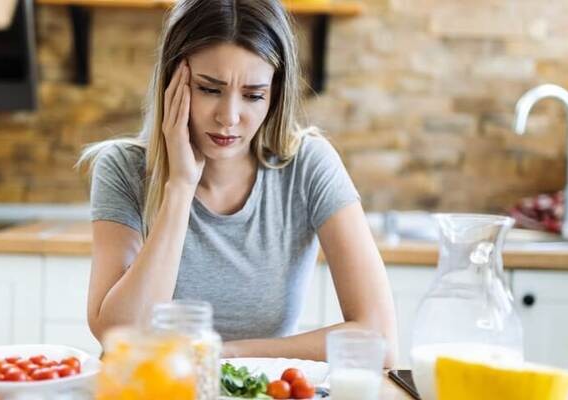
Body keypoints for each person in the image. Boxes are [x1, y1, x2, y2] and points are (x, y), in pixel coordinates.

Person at [77, 0, 397, 366]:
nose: (228, 117)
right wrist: (180, 188)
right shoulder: (122, 167)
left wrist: (219, 355)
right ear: (172, 83)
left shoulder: (309, 165)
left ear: (275, 95)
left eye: (253, 95)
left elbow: (381, 341)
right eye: (209, 89)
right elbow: (121, 335)